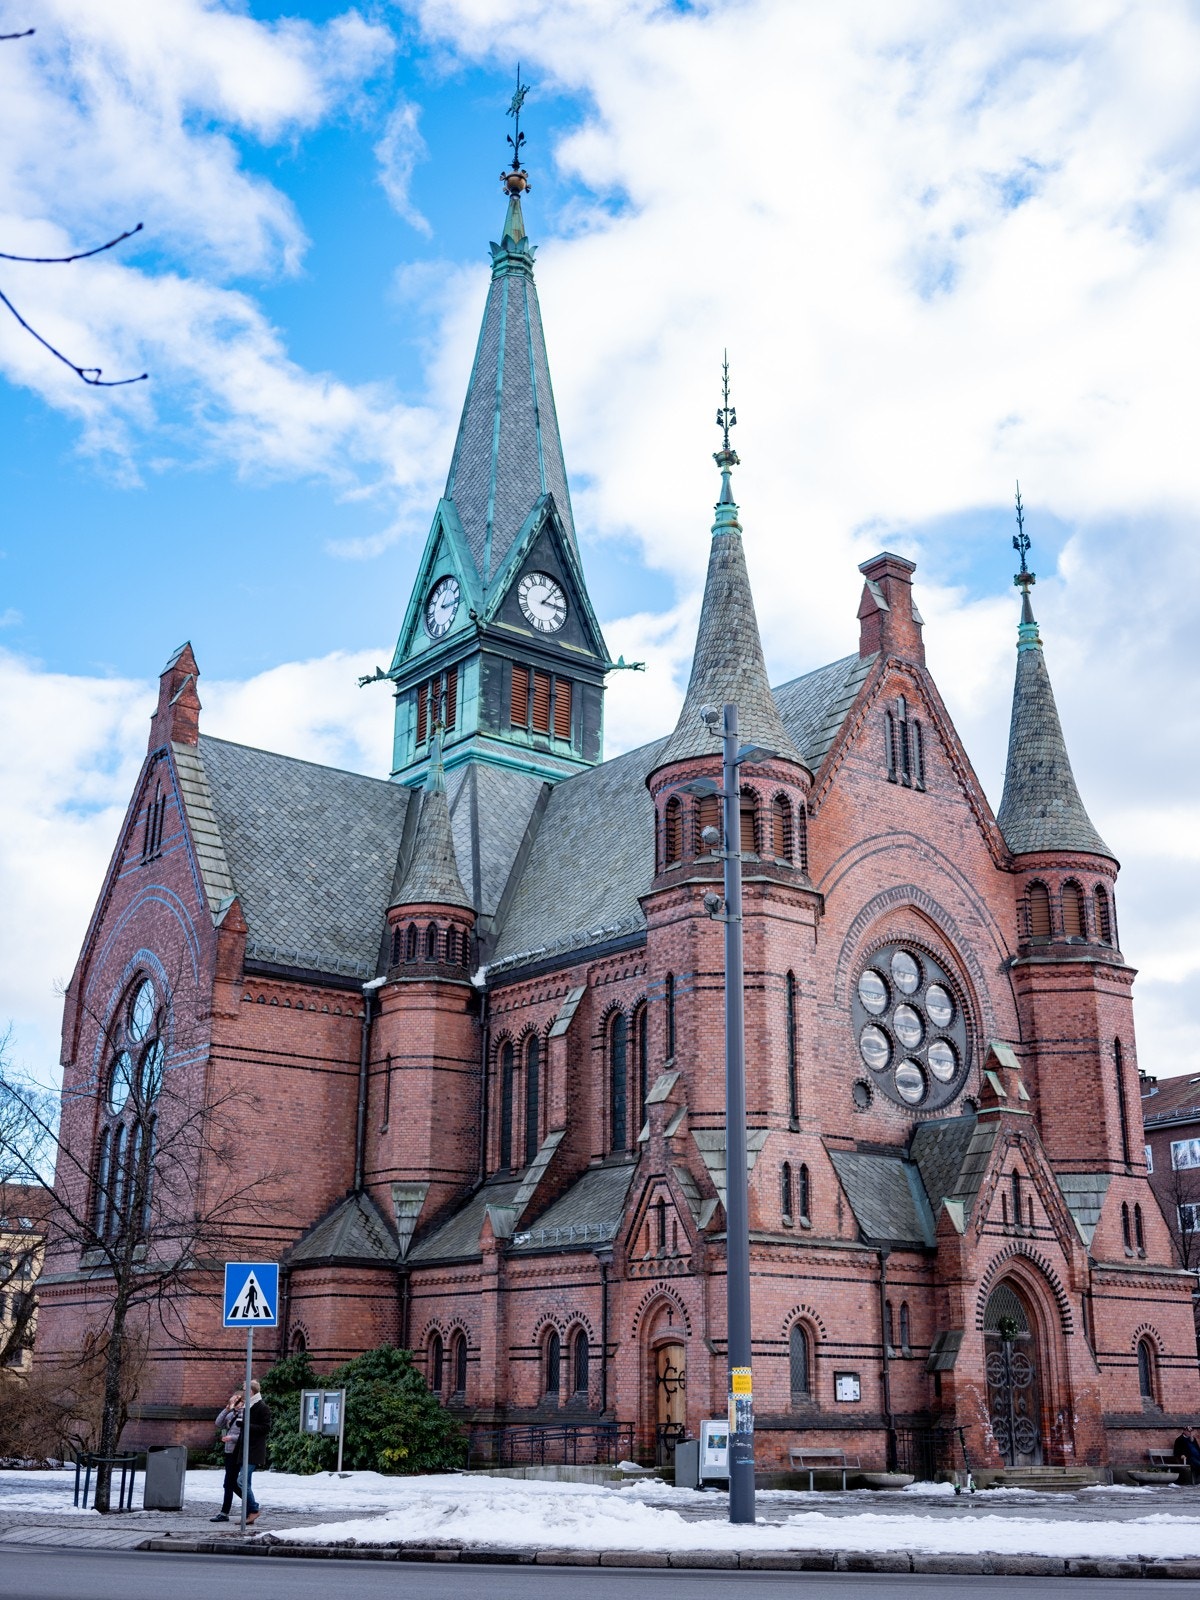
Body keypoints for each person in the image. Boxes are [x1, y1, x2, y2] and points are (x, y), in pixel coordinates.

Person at [211, 1378, 272, 1523]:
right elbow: (219, 1422)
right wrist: (229, 1408)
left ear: (250, 1391)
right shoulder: (247, 1407)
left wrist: (242, 1426)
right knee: (236, 1482)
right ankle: (248, 1512)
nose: (242, 1393)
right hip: (241, 1450)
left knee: (240, 1482)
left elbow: (265, 1428)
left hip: (250, 1450)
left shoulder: (259, 1407)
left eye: (244, 1390)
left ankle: (253, 1509)